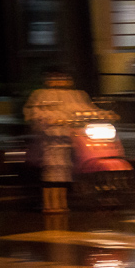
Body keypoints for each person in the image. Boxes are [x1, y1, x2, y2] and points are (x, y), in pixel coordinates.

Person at [23, 66, 112, 212]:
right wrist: (50, 121)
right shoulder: (41, 95)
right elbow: (35, 113)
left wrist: (106, 114)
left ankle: (62, 203)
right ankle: (50, 204)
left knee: (64, 172)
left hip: (67, 139)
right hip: (51, 141)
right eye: (54, 78)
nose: (59, 81)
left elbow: (88, 110)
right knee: (52, 171)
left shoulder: (77, 95)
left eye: (63, 78)